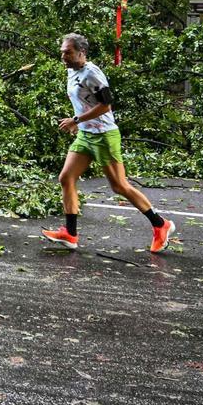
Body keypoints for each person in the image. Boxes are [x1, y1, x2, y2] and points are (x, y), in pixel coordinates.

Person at [41, 33, 175, 252]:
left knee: (119, 186)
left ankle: (161, 224)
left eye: (68, 52)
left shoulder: (92, 73)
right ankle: (70, 234)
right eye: (62, 52)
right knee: (66, 177)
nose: (63, 56)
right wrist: (80, 123)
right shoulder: (71, 71)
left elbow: (106, 105)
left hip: (104, 135)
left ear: (81, 53)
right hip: (86, 135)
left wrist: (75, 120)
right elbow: (84, 102)